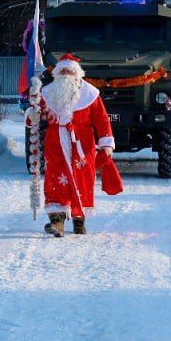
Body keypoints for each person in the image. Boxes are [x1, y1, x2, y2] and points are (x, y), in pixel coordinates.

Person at [33, 54, 115, 237]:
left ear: (77, 73)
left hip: (82, 144)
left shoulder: (90, 94)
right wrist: (32, 112)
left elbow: (102, 120)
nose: (65, 73)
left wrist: (106, 143)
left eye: (69, 70)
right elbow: (39, 116)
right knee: (55, 178)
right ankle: (57, 221)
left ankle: (79, 219)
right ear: (56, 73)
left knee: (82, 179)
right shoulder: (47, 93)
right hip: (55, 142)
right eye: (62, 70)